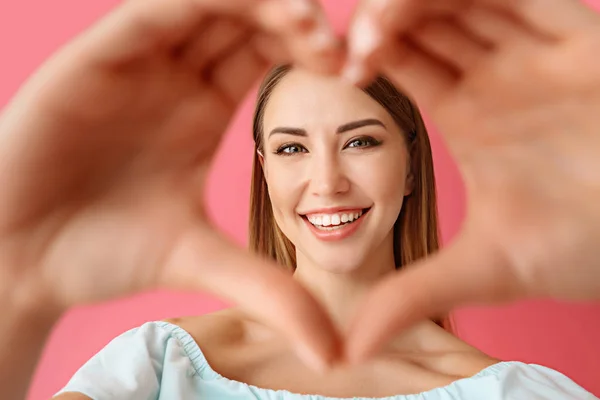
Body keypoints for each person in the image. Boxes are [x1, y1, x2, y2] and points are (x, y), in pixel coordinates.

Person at [0, 0, 599, 398]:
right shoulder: (157, 367)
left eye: (360, 141)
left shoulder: (515, 393)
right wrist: (15, 279)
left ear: (412, 166)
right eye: (292, 149)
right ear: (263, 171)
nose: (328, 181)